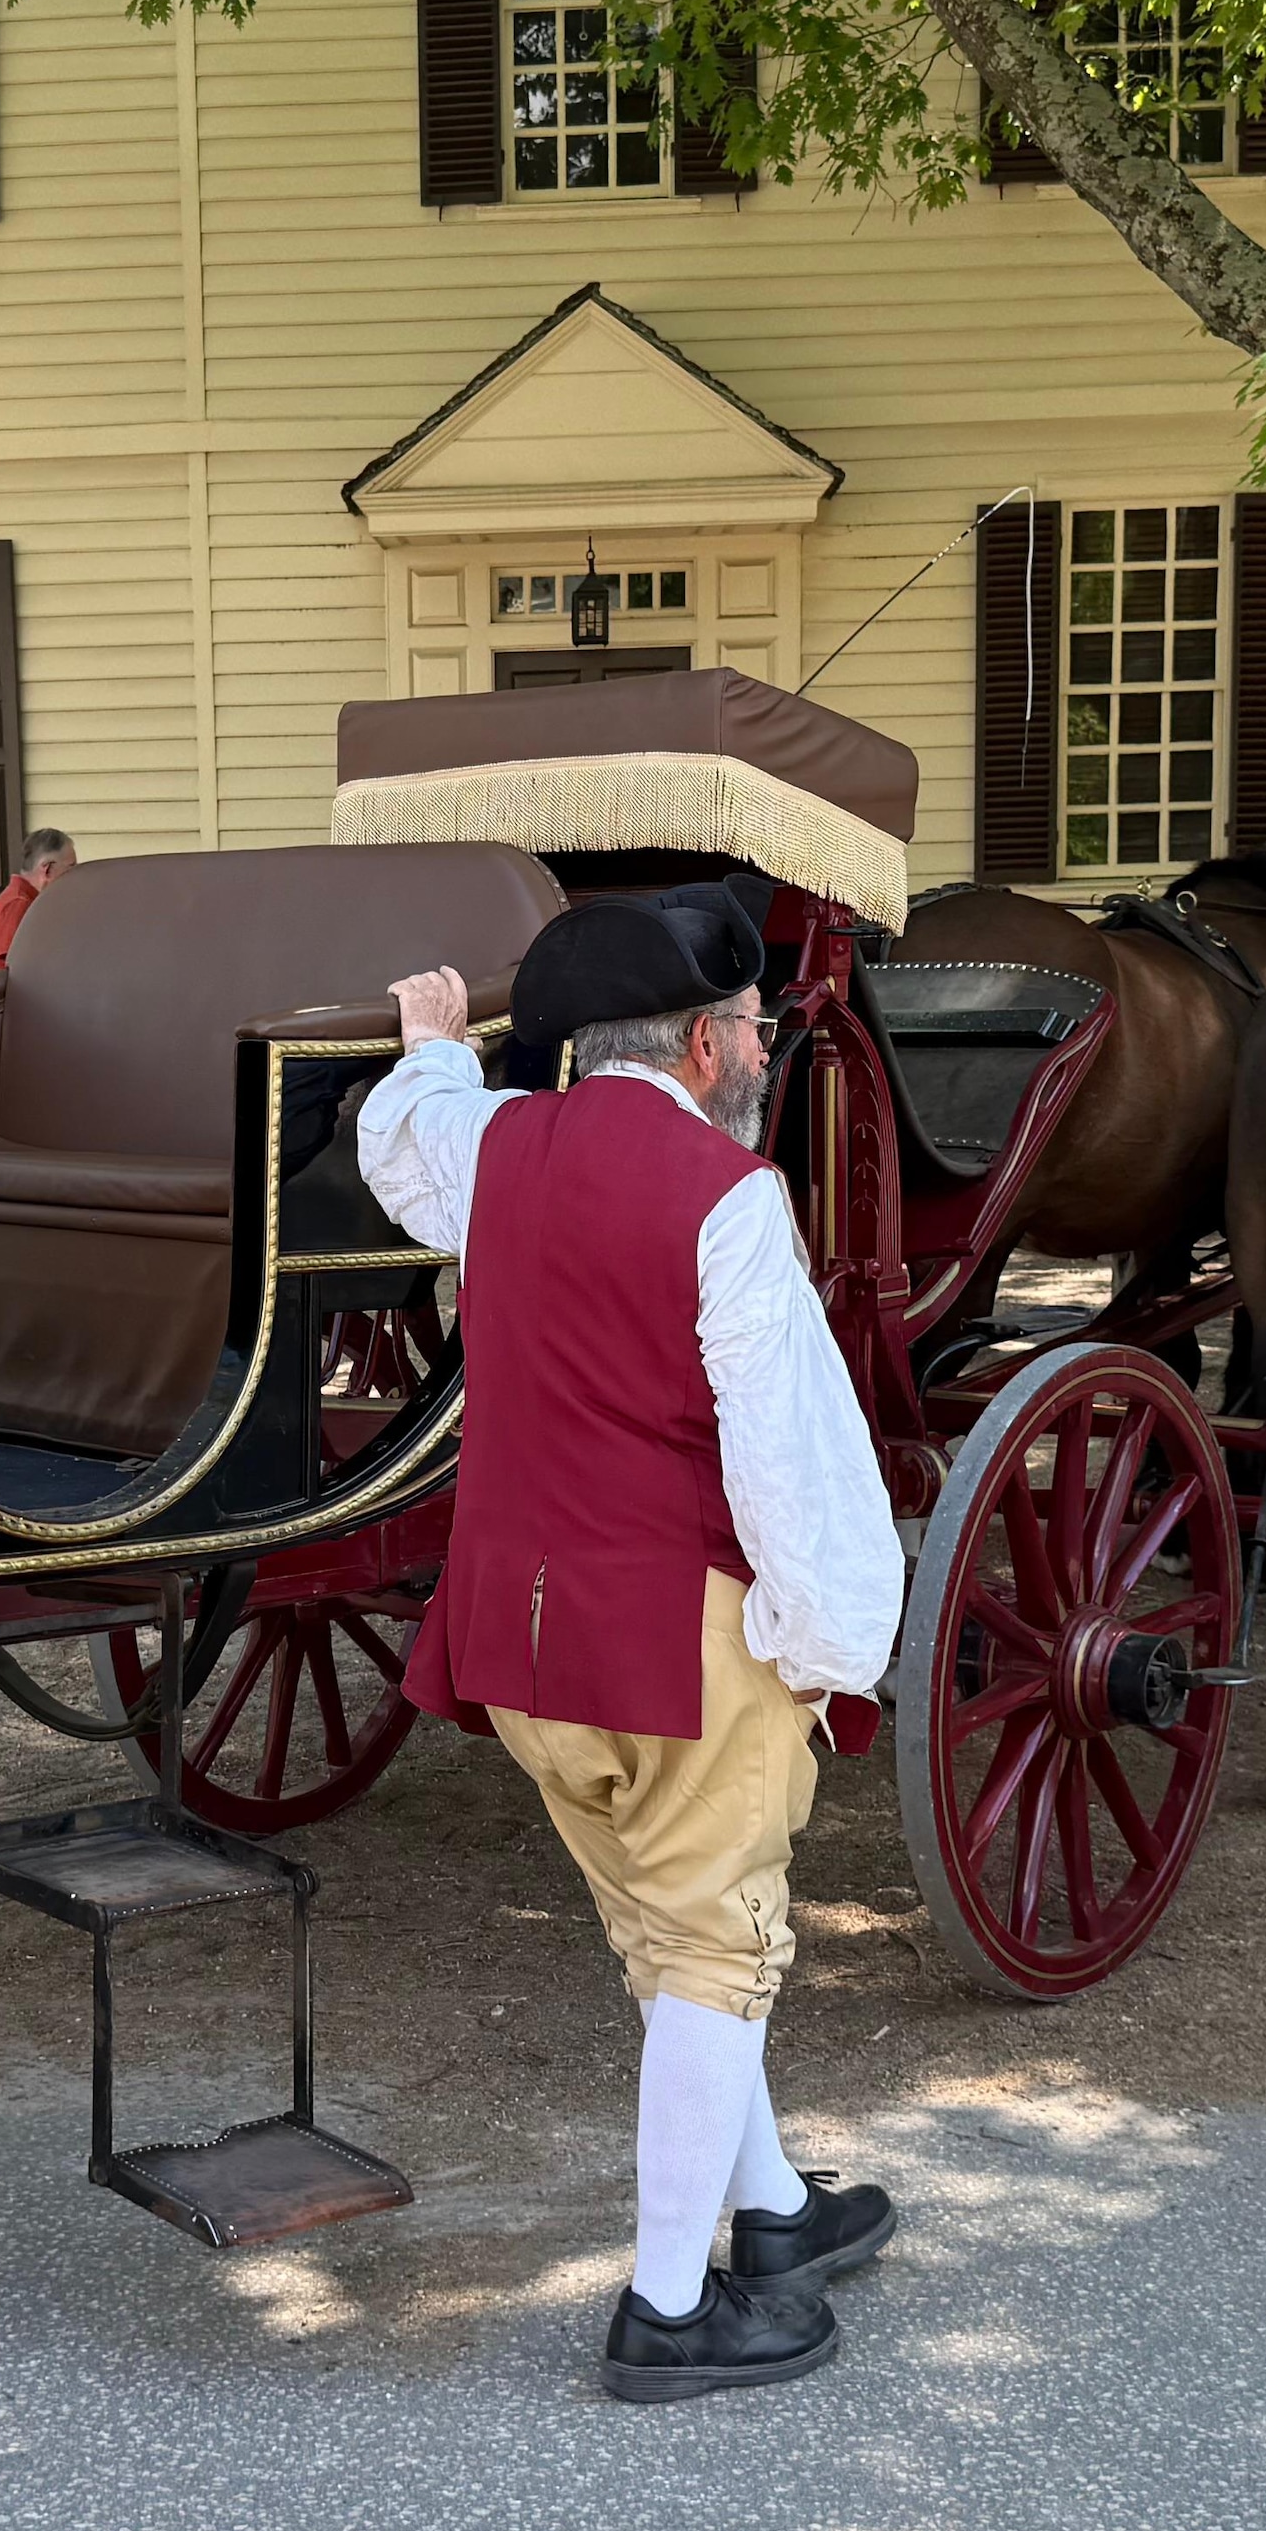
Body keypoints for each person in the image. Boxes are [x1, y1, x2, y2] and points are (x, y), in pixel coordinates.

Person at [362, 898, 908, 2402]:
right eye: (748, 1028)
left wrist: (430, 1043)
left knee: (669, 1939)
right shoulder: (727, 1194)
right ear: (698, 1044)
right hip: (680, 1642)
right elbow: (784, 1448)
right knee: (720, 1948)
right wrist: (824, 1639)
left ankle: (774, 2209)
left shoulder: (496, 1149)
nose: (759, 1051)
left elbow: (407, 1143)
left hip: (519, 1641)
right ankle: (668, 2306)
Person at [0, 827, 75, 972]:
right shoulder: (17, 904)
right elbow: (18, 970)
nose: (75, 875)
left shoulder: (30, 902)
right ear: (47, 870)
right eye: (71, 868)